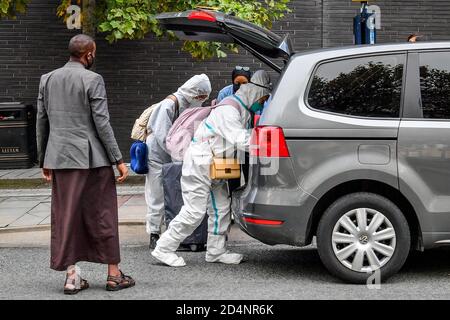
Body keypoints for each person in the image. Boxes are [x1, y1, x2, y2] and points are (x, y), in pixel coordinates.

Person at [36, 34, 134, 294]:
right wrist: (118, 159)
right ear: (88, 53)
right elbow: (101, 123)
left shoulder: (48, 79)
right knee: (102, 213)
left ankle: (71, 276)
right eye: (95, 52)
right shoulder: (93, 79)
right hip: (93, 159)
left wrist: (43, 159)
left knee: (66, 214)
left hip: (59, 157)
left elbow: (41, 120)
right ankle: (114, 274)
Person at [151, 70, 271, 267]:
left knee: (222, 208)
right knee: (194, 211)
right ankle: (163, 248)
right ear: (255, 92)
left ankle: (216, 251)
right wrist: (273, 142)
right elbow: (240, 139)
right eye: (263, 98)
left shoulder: (241, 109)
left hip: (218, 164)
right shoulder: (228, 110)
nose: (263, 102)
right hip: (200, 164)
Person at [145, 74, 212, 249]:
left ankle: (172, 231)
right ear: (193, 92)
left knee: (173, 193)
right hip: (158, 155)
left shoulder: (187, 105)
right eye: (200, 97)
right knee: (157, 193)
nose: (201, 101)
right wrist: (179, 153)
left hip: (174, 154)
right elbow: (161, 135)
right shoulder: (168, 104)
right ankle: (154, 232)